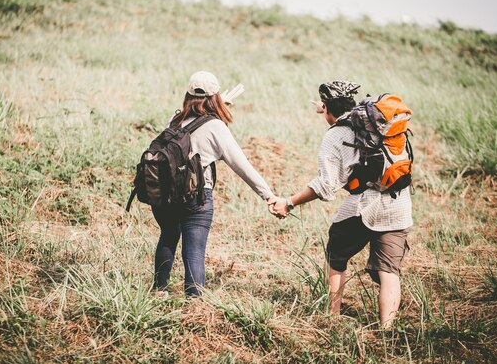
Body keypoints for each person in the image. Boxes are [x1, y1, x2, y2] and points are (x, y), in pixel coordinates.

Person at [270, 81, 413, 328]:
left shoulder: (337, 134)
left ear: (326, 108)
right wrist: (323, 106)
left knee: (336, 255)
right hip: (399, 207)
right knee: (389, 271)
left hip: (363, 207)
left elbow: (326, 186)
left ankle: (332, 317)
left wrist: (289, 203)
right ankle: (387, 331)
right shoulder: (379, 123)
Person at [152, 70, 279, 297]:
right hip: (196, 197)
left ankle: (159, 290)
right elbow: (241, 165)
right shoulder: (216, 127)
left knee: (168, 236)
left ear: (188, 94)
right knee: (194, 250)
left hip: (165, 195)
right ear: (215, 98)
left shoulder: (173, 120)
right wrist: (268, 195)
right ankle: (194, 304)